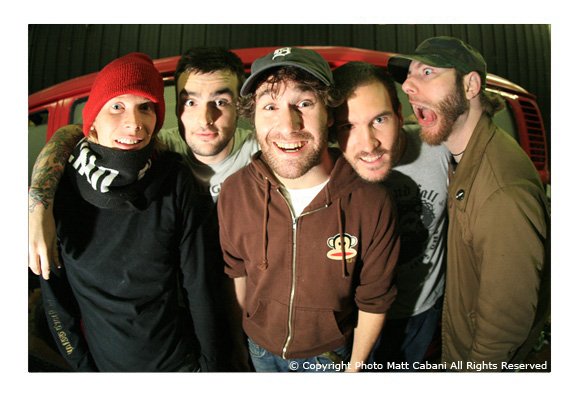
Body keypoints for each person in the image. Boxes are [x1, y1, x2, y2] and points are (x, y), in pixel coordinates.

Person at [28, 47, 257, 371]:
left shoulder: (263, 154)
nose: (133, 124)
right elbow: (72, 133)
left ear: (240, 106)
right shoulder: (71, 184)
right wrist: (38, 202)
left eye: (220, 101)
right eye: (190, 102)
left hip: (244, 328)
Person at [217, 47, 400, 372]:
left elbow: (375, 299)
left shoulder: (371, 202)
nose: (288, 126)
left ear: (329, 113)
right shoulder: (234, 192)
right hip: (259, 350)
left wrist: (355, 369)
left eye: (304, 103)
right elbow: (237, 273)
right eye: (270, 106)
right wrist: (245, 338)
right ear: (252, 116)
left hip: (329, 357)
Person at [388, 36, 550, 370]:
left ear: (471, 85)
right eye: (409, 76)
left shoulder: (501, 193)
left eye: (427, 72)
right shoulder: (463, 155)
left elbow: (503, 329)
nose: (408, 86)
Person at [332, 61, 449, 370]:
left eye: (379, 119)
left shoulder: (438, 150)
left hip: (420, 309)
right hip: (354, 318)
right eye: (347, 127)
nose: (369, 143)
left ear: (399, 113)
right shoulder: (328, 170)